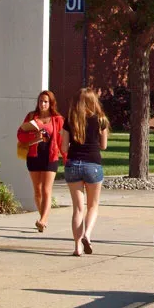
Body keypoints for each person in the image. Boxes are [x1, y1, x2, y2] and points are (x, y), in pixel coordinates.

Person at [59, 88, 110, 256]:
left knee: (78, 209)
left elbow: (64, 147)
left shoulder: (70, 120)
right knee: (93, 205)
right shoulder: (101, 120)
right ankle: (87, 235)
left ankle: (77, 247)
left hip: (73, 164)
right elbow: (103, 146)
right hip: (93, 164)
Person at [16, 90, 64, 233]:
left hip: (51, 156)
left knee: (46, 189)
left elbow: (62, 140)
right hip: (34, 155)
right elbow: (20, 135)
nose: (42, 104)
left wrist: (66, 157)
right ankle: (42, 217)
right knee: (37, 190)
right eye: (40, 101)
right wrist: (34, 134)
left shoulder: (57, 119)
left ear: (51, 103)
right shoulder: (32, 117)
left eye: (46, 102)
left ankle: (43, 220)